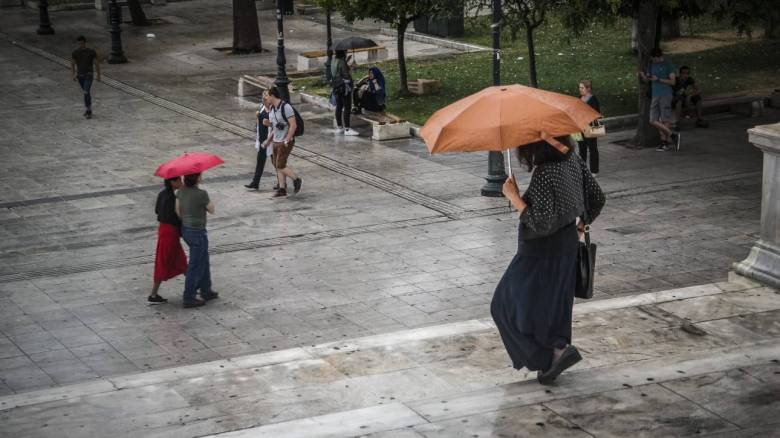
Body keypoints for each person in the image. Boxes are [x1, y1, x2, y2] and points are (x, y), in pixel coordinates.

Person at [491, 136, 605, 385]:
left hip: (538, 253)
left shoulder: (546, 173)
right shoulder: (573, 160)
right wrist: (581, 226)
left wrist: (515, 197)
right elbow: (597, 198)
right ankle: (558, 349)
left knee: (503, 305)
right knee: (552, 307)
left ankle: (547, 357)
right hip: (566, 247)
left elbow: (541, 223)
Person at [176, 173, 218, 308]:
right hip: (198, 232)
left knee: (204, 259)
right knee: (195, 265)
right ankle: (189, 296)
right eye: (200, 175)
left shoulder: (180, 191)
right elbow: (212, 210)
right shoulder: (201, 194)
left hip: (186, 229)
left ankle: (206, 290)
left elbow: (177, 210)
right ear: (197, 178)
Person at [149, 176, 187, 304]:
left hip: (163, 230)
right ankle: (153, 294)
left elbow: (156, 211)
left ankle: (196, 285)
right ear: (172, 182)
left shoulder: (162, 194)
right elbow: (178, 216)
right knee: (165, 261)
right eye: (179, 180)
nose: (181, 182)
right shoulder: (174, 198)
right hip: (170, 232)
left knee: (179, 260)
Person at [262, 85, 302, 198]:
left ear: (272, 95)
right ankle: (282, 188)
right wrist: (268, 140)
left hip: (285, 141)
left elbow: (293, 125)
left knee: (280, 164)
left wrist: (287, 139)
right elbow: (275, 127)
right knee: (277, 165)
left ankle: (296, 179)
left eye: (267, 96)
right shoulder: (272, 109)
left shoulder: (286, 107)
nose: (265, 98)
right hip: (275, 140)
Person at [639, 48, 680, 151]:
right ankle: (672, 135)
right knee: (652, 120)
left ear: (660, 56)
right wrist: (643, 75)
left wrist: (658, 79)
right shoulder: (651, 64)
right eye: (653, 59)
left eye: (656, 58)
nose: (655, 60)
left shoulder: (668, 64)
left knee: (665, 119)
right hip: (655, 94)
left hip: (665, 94)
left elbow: (673, 82)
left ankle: (664, 143)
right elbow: (648, 80)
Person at [245, 91, 272, 190]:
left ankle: (282, 184)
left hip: (270, 140)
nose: (264, 98)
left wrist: (269, 123)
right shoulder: (261, 107)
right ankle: (255, 182)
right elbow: (258, 123)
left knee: (277, 163)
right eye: (263, 95)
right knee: (260, 161)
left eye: (266, 96)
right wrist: (257, 118)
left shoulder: (273, 109)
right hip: (262, 139)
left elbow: (276, 125)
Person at [70, 35, 101, 119]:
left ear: (85, 43)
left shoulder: (91, 52)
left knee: (86, 91)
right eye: (79, 43)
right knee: (85, 92)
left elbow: (96, 64)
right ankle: (88, 108)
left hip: (89, 74)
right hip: (80, 75)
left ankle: (89, 110)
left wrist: (98, 75)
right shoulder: (75, 52)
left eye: (82, 43)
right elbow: (72, 63)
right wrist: (73, 74)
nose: (81, 45)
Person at [331, 50, 359, 136]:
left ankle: (340, 127)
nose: (346, 52)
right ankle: (347, 129)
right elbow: (346, 75)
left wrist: (347, 62)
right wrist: (351, 68)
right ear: (343, 52)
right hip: (344, 87)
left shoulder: (334, 60)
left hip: (337, 86)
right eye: (345, 51)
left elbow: (338, 71)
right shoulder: (342, 62)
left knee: (339, 106)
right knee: (347, 107)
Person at [577, 80, 601, 176]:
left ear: (588, 89)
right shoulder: (579, 98)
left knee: (592, 148)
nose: (580, 89)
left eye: (582, 88)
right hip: (579, 127)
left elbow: (596, 115)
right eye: (579, 87)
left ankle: (594, 170)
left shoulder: (593, 99)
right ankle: (582, 169)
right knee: (581, 148)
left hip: (591, 126)